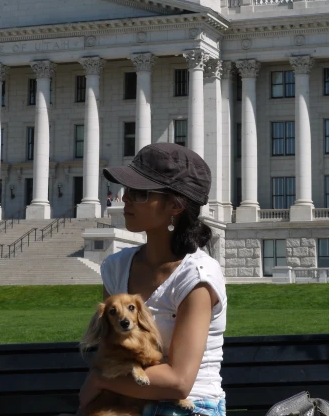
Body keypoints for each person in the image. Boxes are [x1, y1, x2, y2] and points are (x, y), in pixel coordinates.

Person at [79, 143, 227, 416]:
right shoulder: (116, 267)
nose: (125, 199)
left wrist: (101, 378)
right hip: (124, 403)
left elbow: (179, 383)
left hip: (190, 408)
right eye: (127, 190)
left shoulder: (196, 277)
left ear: (175, 205)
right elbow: (108, 352)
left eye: (140, 193)